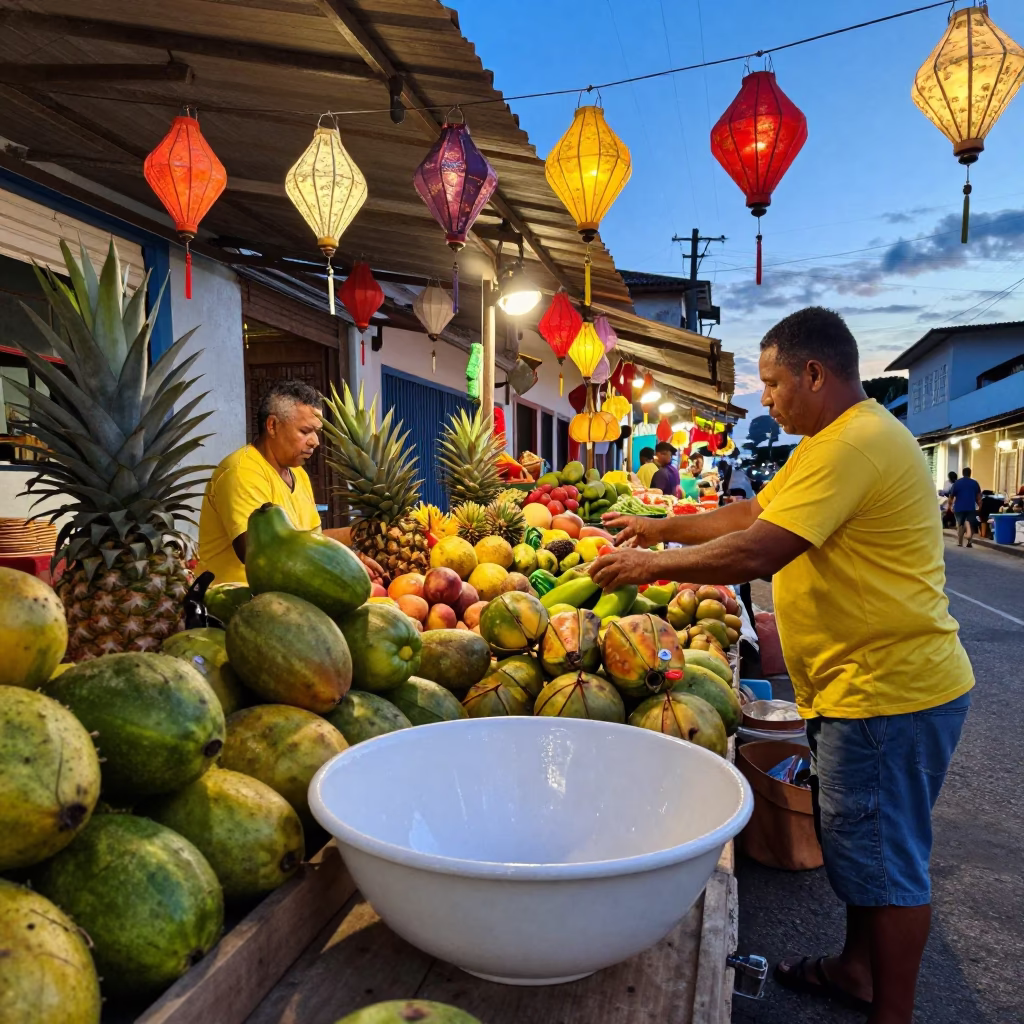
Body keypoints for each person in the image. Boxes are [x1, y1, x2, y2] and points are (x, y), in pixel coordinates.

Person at [591, 306, 972, 1024]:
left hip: (889, 693)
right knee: (864, 851)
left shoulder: (853, 445)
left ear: (815, 373)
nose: (763, 399)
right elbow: (752, 514)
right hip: (860, 689)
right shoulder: (830, 442)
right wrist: (660, 526)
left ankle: (893, 1012)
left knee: (889, 869)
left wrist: (651, 565)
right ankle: (857, 972)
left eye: (771, 384)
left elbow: (761, 550)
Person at [198, 381, 352, 584]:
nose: (315, 441)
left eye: (317, 432)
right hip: (233, 605)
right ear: (272, 426)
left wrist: (357, 542)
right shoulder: (242, 471)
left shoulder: (299, 474)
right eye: (305, 431)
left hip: (284, 598)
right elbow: (260, 555)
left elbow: (312, 541)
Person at [946, 467, 982, 548]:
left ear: (962, 473)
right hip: (970, 507)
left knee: (960, 524)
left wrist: (949, 506)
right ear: (970, 473)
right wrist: (979, 506)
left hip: (959, 508)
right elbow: (978, 497)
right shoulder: (975, 483)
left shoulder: (957, 483)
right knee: (970, 524)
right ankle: (969, 542)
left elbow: (951, 497)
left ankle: (960, 542)